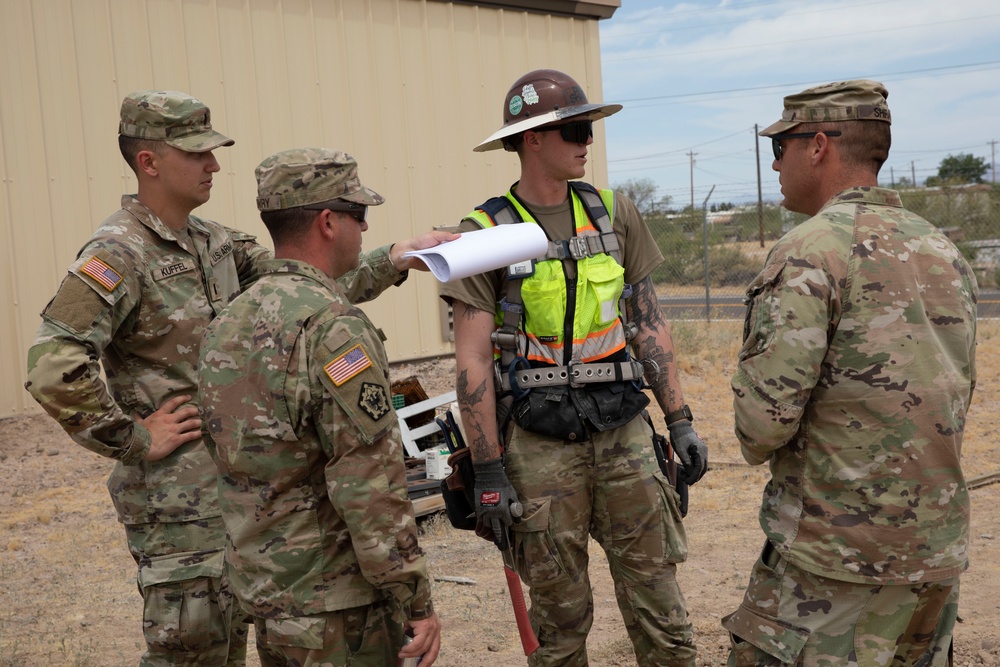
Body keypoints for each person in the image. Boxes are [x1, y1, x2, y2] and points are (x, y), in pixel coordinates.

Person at [24, 91, 449, 666]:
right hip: (181, 513)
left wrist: (393, 258)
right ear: (149, 162)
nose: (214, 166)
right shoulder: (118, 253)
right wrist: (134, 438)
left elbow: (299, 290)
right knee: (197, 657)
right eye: (197, 154)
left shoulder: (217, 244)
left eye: (214, 152)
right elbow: (53, 364)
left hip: (249, 510)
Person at [439, 68, 707, 666]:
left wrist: (681, 419)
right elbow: (473, 358)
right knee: (560, 621)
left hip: (624, 429)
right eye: (575, 129)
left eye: (590, 128)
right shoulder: (485, 232)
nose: (588, 140)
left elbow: (648, 324)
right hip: (538, 442)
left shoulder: (614, 214)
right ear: (532, 138)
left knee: (661, 606)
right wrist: (487, 471)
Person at [723, 80, 978, 665]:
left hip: (834, 564)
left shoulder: (810, 251)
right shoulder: (941, 248)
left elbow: (761, 426)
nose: (775, 164)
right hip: (933, 552)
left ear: (817, 146)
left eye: (779, 147)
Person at [197, 147, 443, 666]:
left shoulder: (229, 321)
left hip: (268, 595)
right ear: (329, 222)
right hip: (338, 609)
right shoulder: (333, 326)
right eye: (361, 215)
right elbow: (368, 483)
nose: (366, 229)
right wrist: (414, 598)